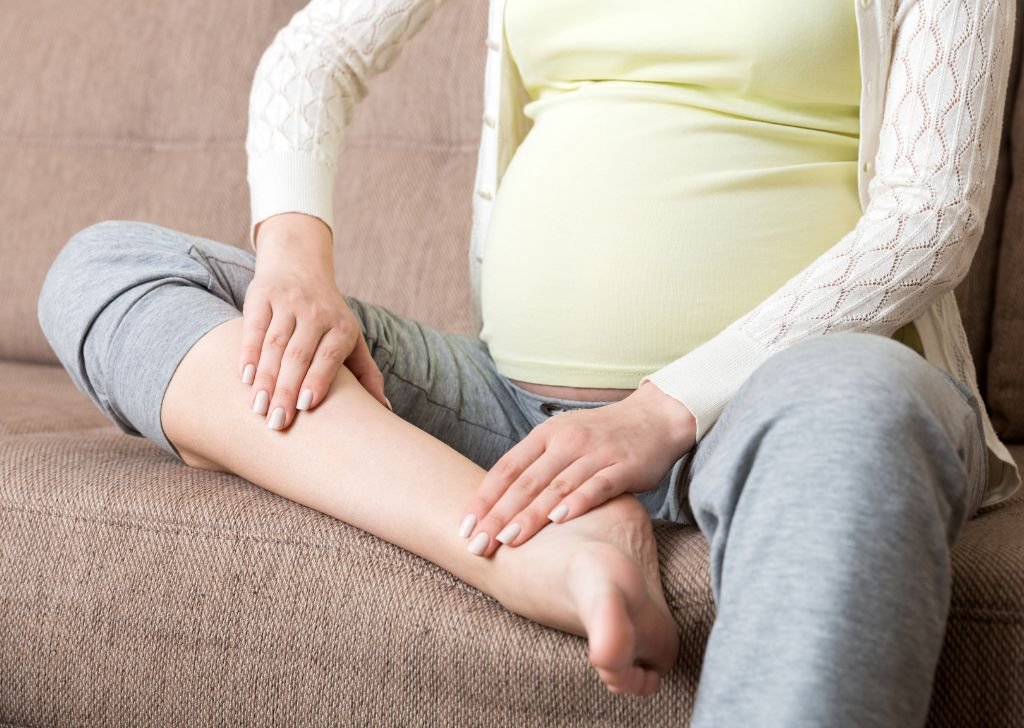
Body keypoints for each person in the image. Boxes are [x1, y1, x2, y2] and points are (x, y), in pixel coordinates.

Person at [36, 0, 1021, 725]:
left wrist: (656, 412)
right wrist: (296, 258)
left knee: (861, 400)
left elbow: (928, 216)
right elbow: (317, 50)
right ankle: (517, 549)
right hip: (512, 413)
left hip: (785, 399)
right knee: (111, 265)